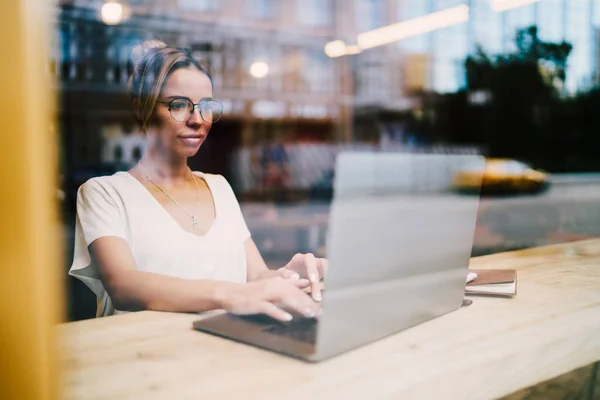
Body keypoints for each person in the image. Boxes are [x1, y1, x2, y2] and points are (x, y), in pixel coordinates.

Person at [69, 41, 326, 321]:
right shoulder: (105, 193)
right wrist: (230, 295)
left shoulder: (218, 187)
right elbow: (124, 286)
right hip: (144, 354)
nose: (198, 120)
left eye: (206, 106)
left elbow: (256, 278)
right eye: (179, 105)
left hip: (221, 349)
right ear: (143, 109)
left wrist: (288, 275)